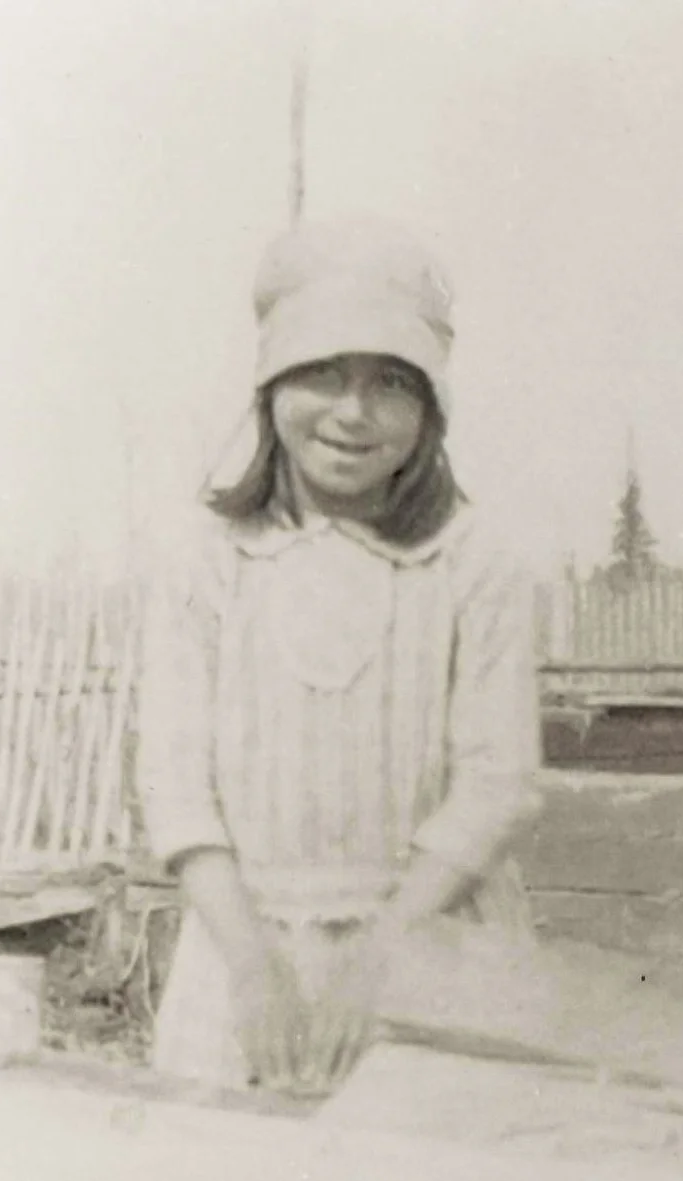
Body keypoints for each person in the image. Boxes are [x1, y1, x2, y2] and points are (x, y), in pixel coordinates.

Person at [138, 217, 543, 1096]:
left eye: (391, 383)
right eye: (323, 372)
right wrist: (252, 970)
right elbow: (176, 786)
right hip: (242, 956)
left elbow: (497, 782)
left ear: (430, 409)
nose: (353, 413)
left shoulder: (474, 563)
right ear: (272, 383)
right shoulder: (207, 558)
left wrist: (382, 961)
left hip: (433, 946)